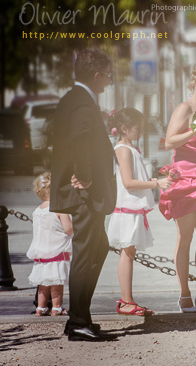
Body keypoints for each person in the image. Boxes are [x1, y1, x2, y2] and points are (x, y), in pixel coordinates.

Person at [51, 47, 117, 341]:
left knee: (98, 248)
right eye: (108, 77)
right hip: (84, 192)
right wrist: (86, 175)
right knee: (85, 253)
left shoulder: (75, 98)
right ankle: (78, 320)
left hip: (85, 191)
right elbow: (79, 139)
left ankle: (81, 316)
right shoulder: (80, 101)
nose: (109, 82)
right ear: (97, 75)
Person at [160, 63, 196, 313]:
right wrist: (194, 131)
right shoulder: (184, 108)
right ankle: (185, 293)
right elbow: (169, 141)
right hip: (184, 178)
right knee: (185, 237)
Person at [106, 108, 172, 316]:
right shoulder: (123, 149)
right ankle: (126, 300)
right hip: (127, 210)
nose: (141, 131)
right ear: (124, 129)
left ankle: (128, 299)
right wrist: (156, 183)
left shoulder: (129, 148)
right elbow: (128, 182)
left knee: (129, 252)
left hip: (131, 209)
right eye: (137, 128)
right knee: (127, 252)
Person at [28, 172, 73, 317]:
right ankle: (56, 308)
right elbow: (69, 229)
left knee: (43, 284)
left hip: (41, 254)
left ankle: (40, 308)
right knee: (56, 283)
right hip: (57, 252)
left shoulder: (37, 211)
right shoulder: (60, 209)